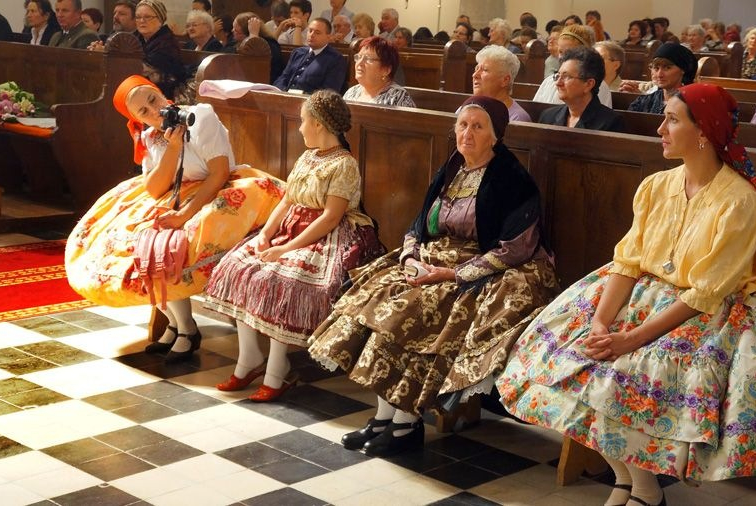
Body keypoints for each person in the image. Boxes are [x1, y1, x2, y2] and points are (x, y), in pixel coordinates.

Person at [498, 83, 756, 506]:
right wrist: (600, 323)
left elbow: (707, 291)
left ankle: (644, 489)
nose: (660, 129)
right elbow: (627, 263)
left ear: (704, 131)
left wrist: (631, 338)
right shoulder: (656, 186)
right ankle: (630, 481)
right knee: (570, 355)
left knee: (629, 373)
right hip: (647, 292)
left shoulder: (740, 201)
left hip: (713, 307)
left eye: (672, 120)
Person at [308, 95, 559, 457]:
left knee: (412, 311)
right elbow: (419, 225)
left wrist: (453, 274)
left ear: (496, 136)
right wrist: (410, 257)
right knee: (378, 295)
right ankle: (384, 417)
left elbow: (517, 247)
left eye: (478, 127)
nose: (467, 134)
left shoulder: (512, 179)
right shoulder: (452, 169)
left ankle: (405, 423)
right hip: (430, 262)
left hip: (479, 270)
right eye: (462, 125)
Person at [66, 75, 284, 364]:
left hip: (215, 189)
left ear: (161, 93)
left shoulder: (199, 117)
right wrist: (172, 148)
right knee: (133, 240)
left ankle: (187, 329)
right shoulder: (151, 137)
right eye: (143, 112)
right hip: (175, 194)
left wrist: (184, 214)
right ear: (138, 120)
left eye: (153, 100)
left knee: (172, 243)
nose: (154, 111)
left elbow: (219, 173)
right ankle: (178, 323)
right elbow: (155, 188)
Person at [206, 90, 383, 401]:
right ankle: (249, 358)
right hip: (291, 229)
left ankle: (277, 369)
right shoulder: (307, 156)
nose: (300, 128)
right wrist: (265, 234)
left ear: (318, 124)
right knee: (238, 267)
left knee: (280, 280)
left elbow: (330, 217)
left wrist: (285, 250)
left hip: (326, 237)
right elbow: (287, 200)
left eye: (303, 121)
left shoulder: (344, 164)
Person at [539, 47, 624, 132]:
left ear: (589, 84)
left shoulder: (611, 122)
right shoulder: (548, 116)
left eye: (566, 77)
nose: (558, 83)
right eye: (558, 76)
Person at [533, 25, 613, 108]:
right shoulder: (549, 82)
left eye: (569, 53)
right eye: (560, 51)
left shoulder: (598, 87)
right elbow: (535, 109)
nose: (562, 57)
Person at [129, 0, 186, 100]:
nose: (142, 21)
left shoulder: (167, 42)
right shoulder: (134, 38)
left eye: (147, 17)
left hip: (163, 94)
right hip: (138, 88)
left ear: (160, 20)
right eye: (138, 17)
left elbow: (143, 68)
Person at [274, 18, 346, 94]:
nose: (311, 35)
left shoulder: (336, 59)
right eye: (310, 31)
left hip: (310, 100)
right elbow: (283, 77)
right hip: (285, 96)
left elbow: (329, 91)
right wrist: (282, 93)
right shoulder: (298, 52)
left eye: (317, 33)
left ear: (328, 37)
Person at [344, 36, 415, 107]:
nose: (359, 63)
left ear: (386, 70)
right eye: (359, 57)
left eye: (368, 59)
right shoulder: (351, 92)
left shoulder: (398, 98)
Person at [627, 42, 697, 114]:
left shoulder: (691, 105)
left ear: (682, 70)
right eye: (656, 68)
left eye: (667, 68)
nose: (659, 75)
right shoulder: (643, 102)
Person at [473, 45, 531, 122]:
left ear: (505, 80)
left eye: (485, 70)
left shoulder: (517, 118)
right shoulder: (466, 109)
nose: (475, 75)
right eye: (476, 69)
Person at [233, 12, 285, 85]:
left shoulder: (270, 45)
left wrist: (253, 36)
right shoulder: (236, 43)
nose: (232, 31)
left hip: (267, 84)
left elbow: (254, 69)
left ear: (246, 33)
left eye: (236, 31)